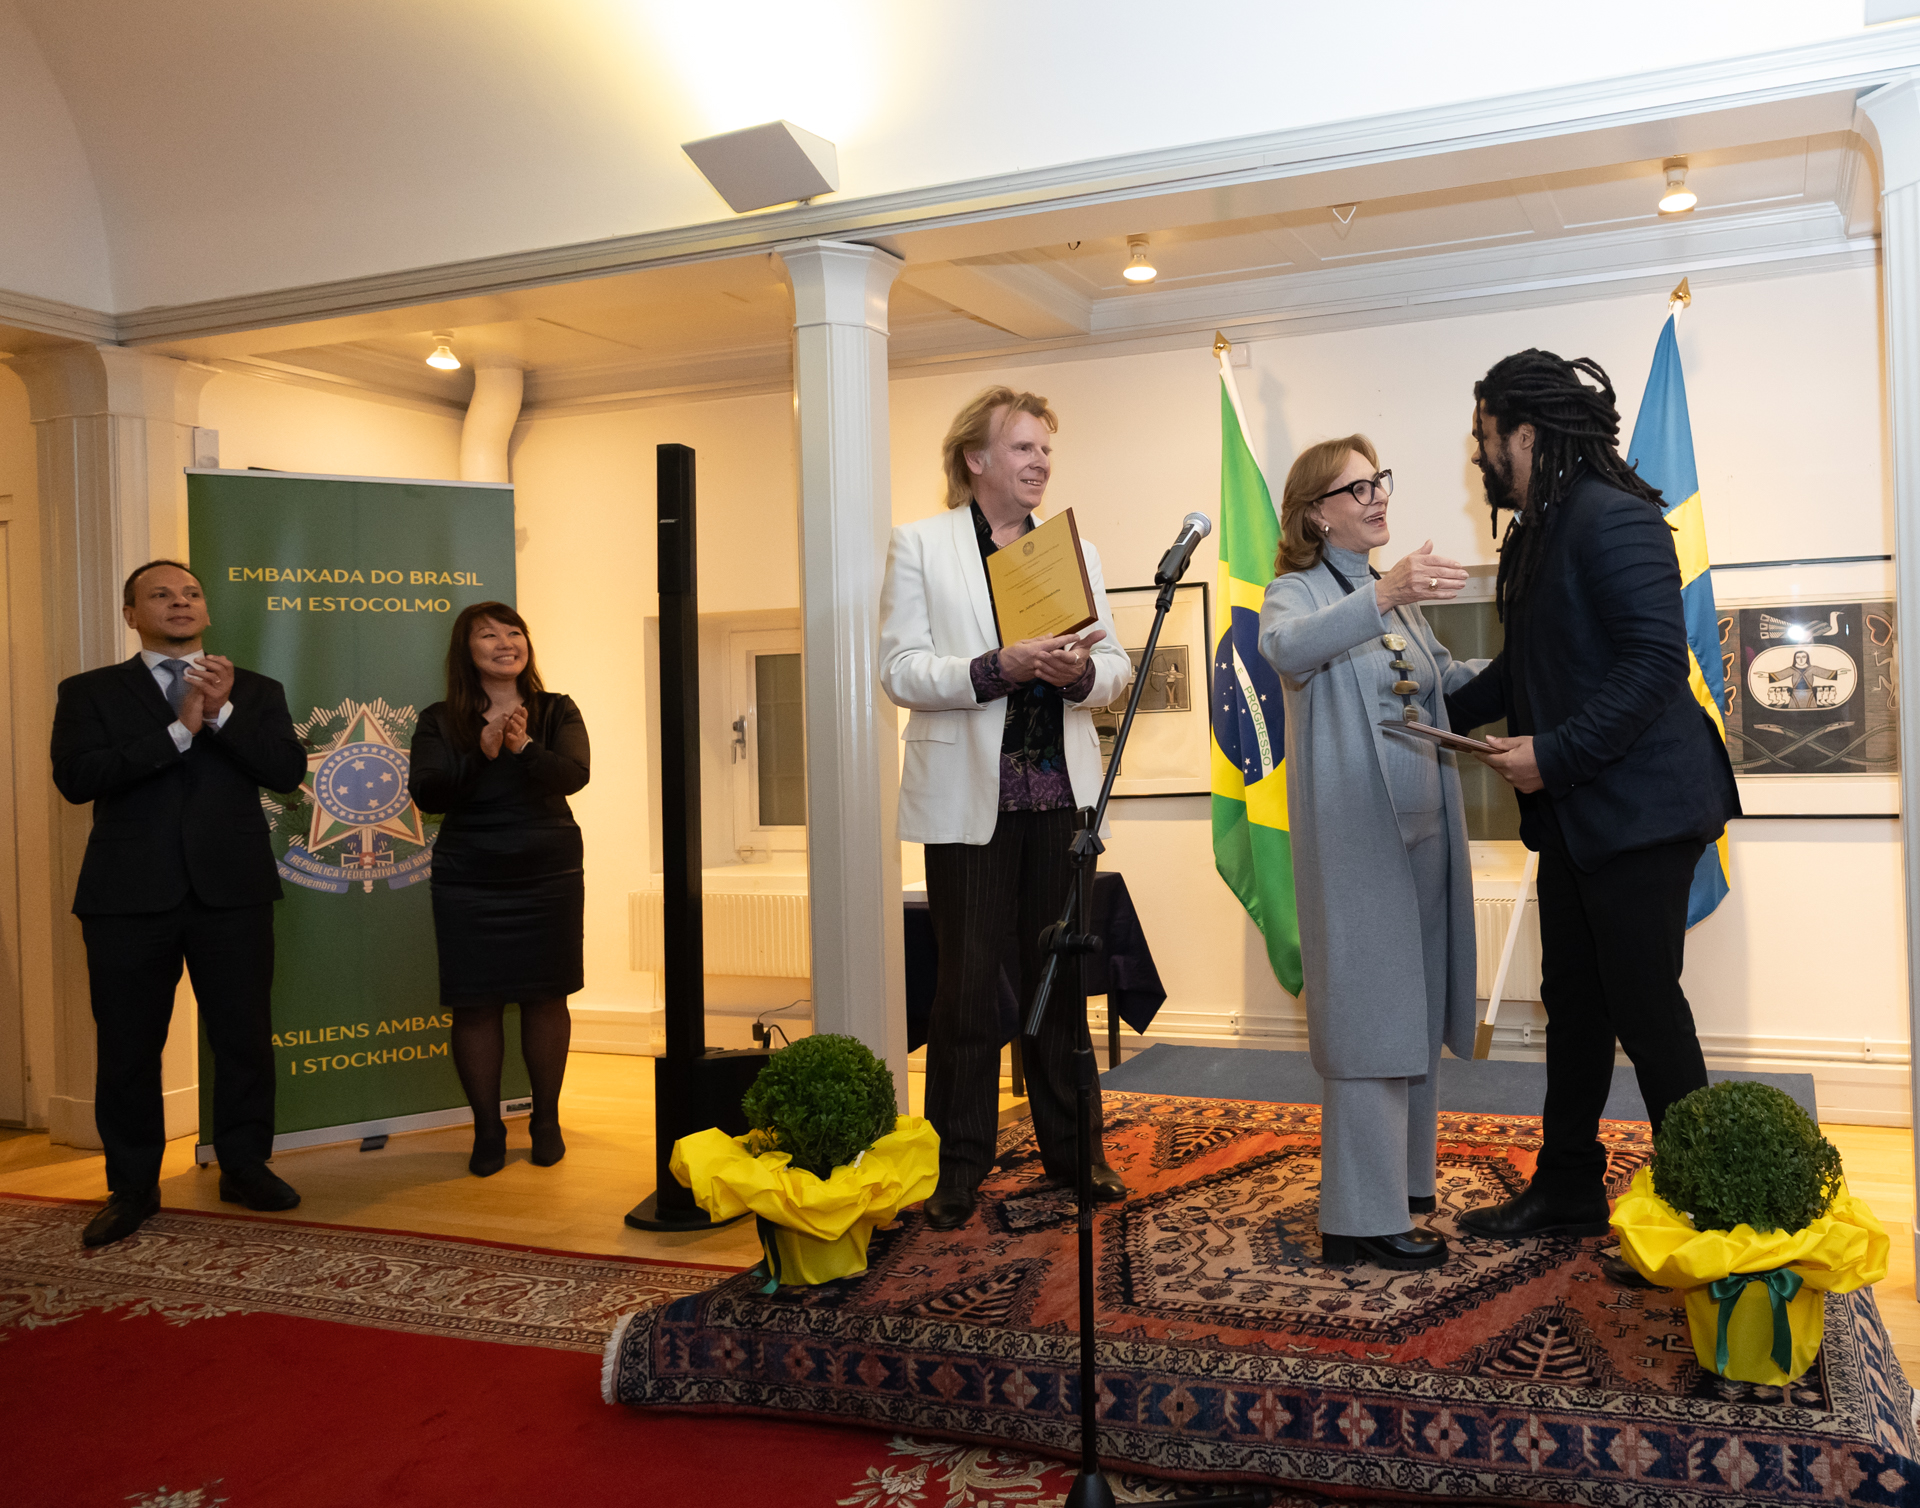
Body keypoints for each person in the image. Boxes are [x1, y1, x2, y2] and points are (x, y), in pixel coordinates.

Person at [1447, 349, 1740, 1252]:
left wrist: (1553, 754)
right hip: (1580, 817)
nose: (1478, 454)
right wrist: (1432, 711)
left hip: (1643, 815)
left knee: (1646, 1009)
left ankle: (1709, 1214)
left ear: (1526, 433)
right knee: (1573, 1002)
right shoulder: (1539, 531)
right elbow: (1527, 667)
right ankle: (1569, 1187)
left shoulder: (1616, 516)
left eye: (1485, 436)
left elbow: (1654, 665)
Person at [879, 386, 1132, 1232]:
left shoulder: (1074, 552)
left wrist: (1080, 673)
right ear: (975, 459)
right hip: (969, 800)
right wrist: (997, 666)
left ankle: (1076, 1153)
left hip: (1060, 795)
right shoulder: (921, 545)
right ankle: (956, 1166)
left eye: (1045, 450)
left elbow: (1117, 667)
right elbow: (901, 670)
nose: (1040, 463)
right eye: (1023, 448)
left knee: (1060, 981)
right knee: (965, 990)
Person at [1257, 437, 1479, 1270]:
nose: (1378, 496)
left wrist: (1543, 661)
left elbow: (1448, 682)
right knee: (1366, 1025)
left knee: (1411, 1020)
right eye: (1358, 488)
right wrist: (1384, 593)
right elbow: (1287, 649)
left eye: (1380, 480)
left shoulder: (1398, 597)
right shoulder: (1296, 591)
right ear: (1317, 512)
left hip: (1426, 838)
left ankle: (1404, 1187)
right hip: (1359, 843)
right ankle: (1356, 1218)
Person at [51, 560, 307, 1247]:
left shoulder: (254, 689)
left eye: (191, 593)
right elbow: (76, 778)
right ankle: (133, 1186)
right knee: (129, 1048)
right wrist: (177, 732)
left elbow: (285, 773)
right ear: (131, 615)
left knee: (243, 1037)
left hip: (233, 891)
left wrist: (219, 714)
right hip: (127, 896)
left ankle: (244, 1166)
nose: (180, 602)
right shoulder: (89, 691)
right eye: (161, 595)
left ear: (207, 612)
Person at [409, 603, 589, 1178]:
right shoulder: (441, 719)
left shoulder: (556, 709)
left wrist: (524, 748)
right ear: (467, 651)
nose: (505, 642)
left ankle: (545, 1121)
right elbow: (428, 793)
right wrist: (481, 752)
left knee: (547, 997)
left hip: (548, 874)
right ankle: (488, 1128)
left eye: (514, 632)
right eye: (488, 635)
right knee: (476, 1003)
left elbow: (574, 775)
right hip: (470, 877)